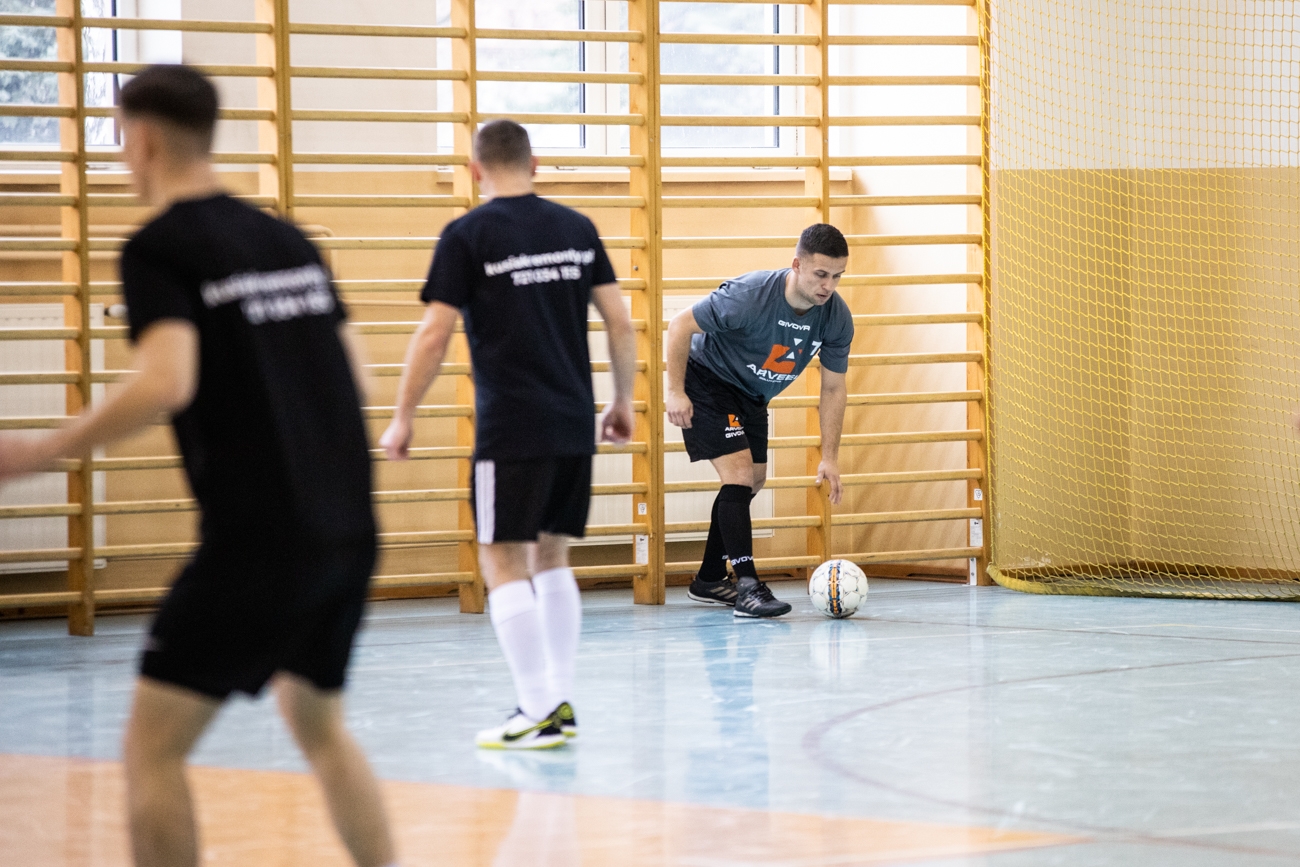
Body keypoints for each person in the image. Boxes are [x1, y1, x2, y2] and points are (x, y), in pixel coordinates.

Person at [0, 66, 397, 867]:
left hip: (259, 543)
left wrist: (41, 449)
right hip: (346, 530)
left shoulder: (161, 247)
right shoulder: (288, 239)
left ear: (141, 139)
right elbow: (357, 378)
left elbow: (166, 381)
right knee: (319, 725)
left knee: (151, 749)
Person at [380, 119, 637, 750]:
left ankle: (538, 708)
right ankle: (556, 703)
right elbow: (620, 321)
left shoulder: (468, 234)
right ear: (536, 163)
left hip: (511, 427)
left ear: (475, 171)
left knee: (501, 559)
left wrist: (403, 415)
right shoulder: (577, 228)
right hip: (572, 420)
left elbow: (434, 334)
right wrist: (622, 400)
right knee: (551, 557)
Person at [665, 224, 854, 618]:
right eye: (821, 274)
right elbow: (680, 325)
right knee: (737, 474)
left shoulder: (836, 317)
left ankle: (709, 578)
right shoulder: (749, 296)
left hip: (752, 394)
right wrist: (675, 391)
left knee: (752, 479)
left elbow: (833, 388)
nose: (828, 286)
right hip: (707, 378)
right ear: (797, 265)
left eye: (837, 276)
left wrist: (830, 456)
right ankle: (748, 586)